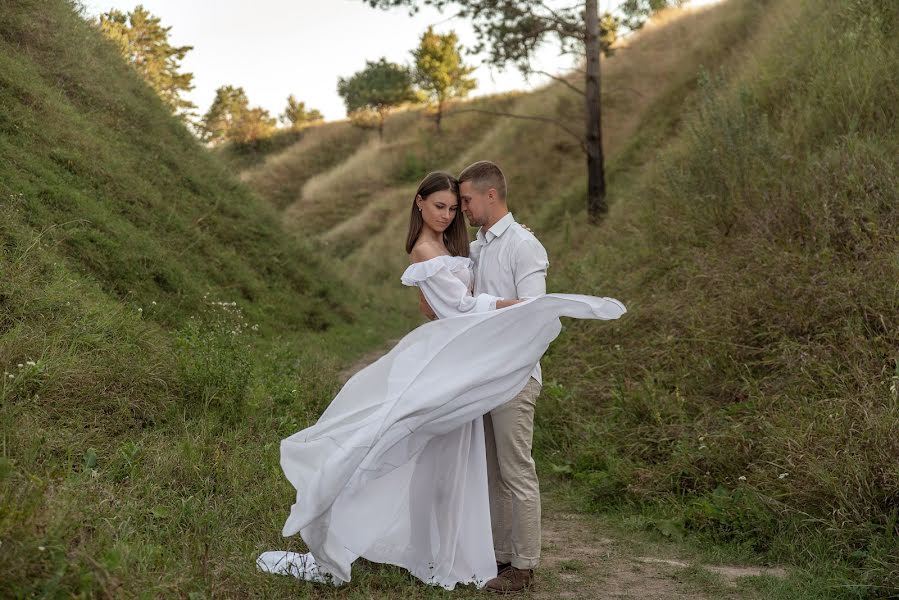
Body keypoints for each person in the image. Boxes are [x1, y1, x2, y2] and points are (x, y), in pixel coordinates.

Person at [257, 170, 626, 591]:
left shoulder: (522, 244)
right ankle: (497, 556)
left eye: (462, 203)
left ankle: (521, 566)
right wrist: (450, 299)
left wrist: (523, 306)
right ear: (420, 203)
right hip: (472, 375)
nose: (458, 213)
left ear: (490, 195)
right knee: (480, 469)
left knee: (513, 470)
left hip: (511, 374)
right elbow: (452, 302)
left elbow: (534, 313)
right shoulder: (477, 244)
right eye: (448, 205)